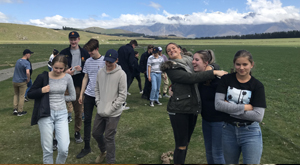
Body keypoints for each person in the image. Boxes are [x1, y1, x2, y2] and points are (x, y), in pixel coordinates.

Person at [160, 42, 227, 164]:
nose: (171, 51)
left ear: (179, 49)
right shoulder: (170, 67)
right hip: (179, 109)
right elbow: (190, 78)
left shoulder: (190, 61)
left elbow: (206, 63)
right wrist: (214, 72)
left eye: (173, 48)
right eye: (168, 50)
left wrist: (212, 67)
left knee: (186, 143)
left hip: (192, 108)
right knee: (181, 145)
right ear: (167, 54)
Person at [215, 50, 266, 164]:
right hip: (228, 131)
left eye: (245, 64)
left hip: (250, 132)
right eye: (238, 64)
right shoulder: (226, 80)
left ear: (251, 65)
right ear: (234, 64)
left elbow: (258, 116)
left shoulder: (257, 86)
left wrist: (228, 108)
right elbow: (218, 105)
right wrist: (243, 107)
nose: (241, 68)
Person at [27, 55, 76, 164]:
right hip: (45, 114)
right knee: (48, 149)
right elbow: (30, 94)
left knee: (64, 149)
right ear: (51, 65)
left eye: (61, 68)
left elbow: (73, 96)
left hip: (62, 114)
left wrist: (60, 98)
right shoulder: (43, 77)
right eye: (56, 68)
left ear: (65, 67)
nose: (58, 71)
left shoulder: (68, 78)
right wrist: (42, 90)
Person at [192, 50, 227, 164]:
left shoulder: (218, 80)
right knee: (209, 151)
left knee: (217, 152)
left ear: (206, 63)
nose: (193, 62)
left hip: (219, 121)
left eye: (197, 60)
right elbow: (184, 78)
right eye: (193, 59)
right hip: (206, 120)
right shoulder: (200, 79)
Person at [92, 49, 127, 164]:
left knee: (109, 137)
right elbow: (96, 89)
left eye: (111, 61)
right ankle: (103, 151)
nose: (108, 63)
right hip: (101, 109)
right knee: (96, 133)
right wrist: (98, 102)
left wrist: (112, 108)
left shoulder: (121, 74)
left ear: (116, 60)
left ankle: (110, 161)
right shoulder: (100, 72)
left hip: (113, 112)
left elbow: (122, 95)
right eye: (106, 61)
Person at [76, 39, 106, 159]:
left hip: (101, 96)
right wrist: (81, 94)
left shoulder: (105, 61)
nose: (89, 54)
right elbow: (85, 78)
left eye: (91, 51)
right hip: (89, 95)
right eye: (88, 52)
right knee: (87, 121)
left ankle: (103, 146)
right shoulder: (88, 61)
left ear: (97, 49)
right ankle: (87, 146)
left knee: (103, 120)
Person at [59, 31, 90, 143]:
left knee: (78, 110)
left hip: (78, 84)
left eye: (75, 39)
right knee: (60, 110)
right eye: (71, 39)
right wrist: (65, 72)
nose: (73, 41)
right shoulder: (63, 53)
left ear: (79, 40)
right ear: (69, 40)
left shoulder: (85, 53)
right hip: (64, 84)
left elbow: (89, 69)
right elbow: (56, 68)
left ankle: (77, 132)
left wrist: (82, 69)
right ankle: (59, 134)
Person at [12, 49, 33, 116]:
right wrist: (28, 79)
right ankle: (20, 111)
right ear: (26, 54)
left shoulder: (18, 61)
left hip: (15, 80)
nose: (30, 55)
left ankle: (15, 109)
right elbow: (27, 72)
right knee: (21, 96)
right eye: (29, 54)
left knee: (16, 94)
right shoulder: (27, 62)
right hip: (22, 81)